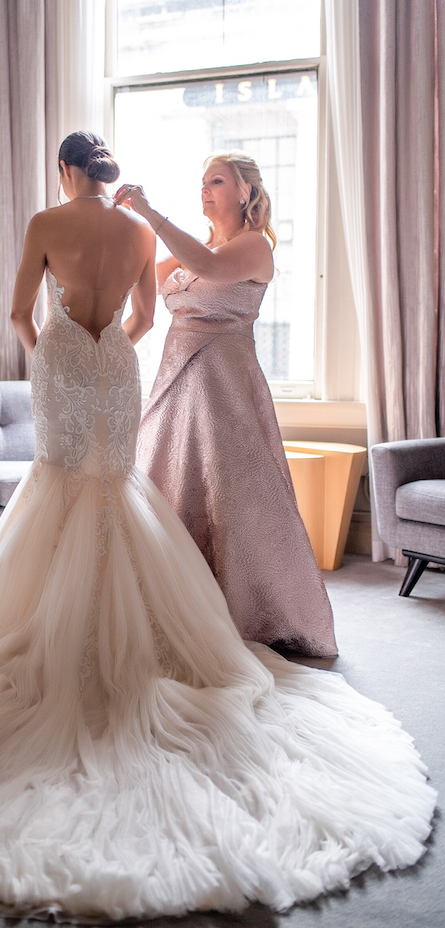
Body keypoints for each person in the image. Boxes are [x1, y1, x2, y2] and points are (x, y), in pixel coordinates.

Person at [0, 132, 434, 922]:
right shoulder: (142, 235)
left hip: (83, 365)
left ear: (66, 170)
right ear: (107, 172)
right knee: (119, 487)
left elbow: (16, 313)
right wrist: (111, 352)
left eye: (217, 180)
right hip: (120, 369)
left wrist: (53, 350)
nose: (207, 190)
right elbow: (143, 314)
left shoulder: (61, 223)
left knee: (64, 486)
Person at [116, 153, 337, 658]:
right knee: (170, 491)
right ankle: (176, 607)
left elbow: (208, 268)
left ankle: (250, 611)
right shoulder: (199, 247)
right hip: (176, 386)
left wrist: (151, 213)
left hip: (225, 391)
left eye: (217, 180)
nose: (205, 189)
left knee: (233, 502)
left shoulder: (253, 246)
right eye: (202, 182)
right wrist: (124, 229)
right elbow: (143, 281)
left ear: (245, 192)